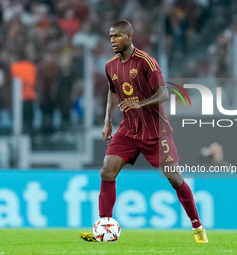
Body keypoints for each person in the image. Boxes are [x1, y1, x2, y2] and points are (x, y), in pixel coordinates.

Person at [79, 20, 208, 243]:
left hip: (155, 130)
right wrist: (107, 120)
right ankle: (103, 226)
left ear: (129, 37)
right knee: (106, 171)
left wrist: (140, 103)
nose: (112, 41)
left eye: (117, 36)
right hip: (128, 129)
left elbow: (164, 93)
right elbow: (112, 92)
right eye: (110, 37)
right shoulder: (110, 66)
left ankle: (197, 227)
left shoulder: (146, 62)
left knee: (174, 178)